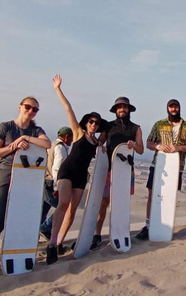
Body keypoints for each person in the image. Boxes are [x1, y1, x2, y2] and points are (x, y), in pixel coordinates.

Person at [0, 97, 51, 281]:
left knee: (22, 219)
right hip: (6, 173)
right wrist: (13, 146)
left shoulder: (36, 130)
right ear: (20, 107)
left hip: (27, 177)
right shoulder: (5, 127)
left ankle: (16, 256)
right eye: (28, 107)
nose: (31, 111)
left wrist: (25, 138)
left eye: (35, 110)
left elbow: (46, 144)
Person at [47, 74, 107, 264]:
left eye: (97, 123)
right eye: (91, 121)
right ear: (86, 122)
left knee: (72, 211)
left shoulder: (97, 142)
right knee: (63, 203)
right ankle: (51, 243)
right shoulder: (78, 132)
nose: (94, 125)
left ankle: (59, 243)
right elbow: (68, 109)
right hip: (68, 171)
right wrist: (58, 89)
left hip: (82, 176)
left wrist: (103, 148)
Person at [135, 99, 186, 240]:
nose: (173, 109)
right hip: (158, 165)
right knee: (152, 194)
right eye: (171, 107)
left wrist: (179, 148)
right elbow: (149, 142)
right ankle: (148, 225)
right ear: (167, 108)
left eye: (176, 107)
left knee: (170, 196)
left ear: (179, 108)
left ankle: (166, 226)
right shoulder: (159, 124)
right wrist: (158, 146)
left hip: (177, 167)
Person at [90, 97, 144, 250]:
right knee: (103, 203)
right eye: (119, 107)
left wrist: (134, 145)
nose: (122, 109)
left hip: (126, 170)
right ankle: (97, 234)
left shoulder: (136, 128)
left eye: (124, 107)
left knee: (122, 204)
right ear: (115, 110)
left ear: (128, 109)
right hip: (108, 169)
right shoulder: (108, 126)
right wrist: (102, 148)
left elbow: (141, 149)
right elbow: (100, 142)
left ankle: (121, 232)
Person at [39, 126, 73, 240]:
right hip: (51, 183)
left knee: (42, 210)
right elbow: (57, 168)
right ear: (66, 137)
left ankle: (35, 231)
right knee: (63, 207)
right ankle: (45, 228)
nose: (72, 140)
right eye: (71, 137)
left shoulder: (52, 145)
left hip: (45, 181)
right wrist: (56, 187)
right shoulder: (60, 148)